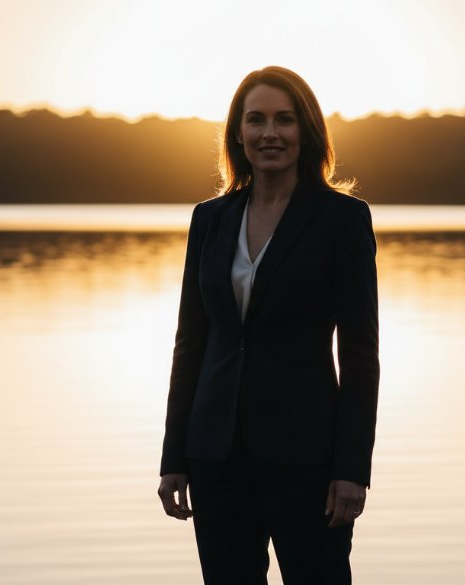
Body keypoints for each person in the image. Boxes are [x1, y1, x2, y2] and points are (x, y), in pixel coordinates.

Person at [157, 65, 380, 585]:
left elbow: (361, 355)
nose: (269, 133)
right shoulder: (208, 219)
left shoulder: (341, 220)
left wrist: (351, 469)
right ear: (237, 132)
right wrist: (174, 456)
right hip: (215, 455)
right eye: (255, 120)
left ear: (307, 131)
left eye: (284, 120)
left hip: (309, 459)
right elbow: (191, 344)